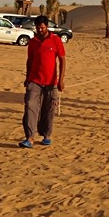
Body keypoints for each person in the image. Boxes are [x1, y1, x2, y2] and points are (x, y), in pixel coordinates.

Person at [19, 15, 66, 148]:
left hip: (51, 82)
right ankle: (29, 137)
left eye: (42, 27)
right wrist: (27, 78)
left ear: (47, 27)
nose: (40, 30)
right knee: (30, 105)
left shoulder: (55, 40)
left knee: (49, 108)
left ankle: (46, 135)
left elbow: (62, 60)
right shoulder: (33, 42)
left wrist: (61, 80)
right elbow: (30, 60)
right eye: (38, 27)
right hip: (34, 80)